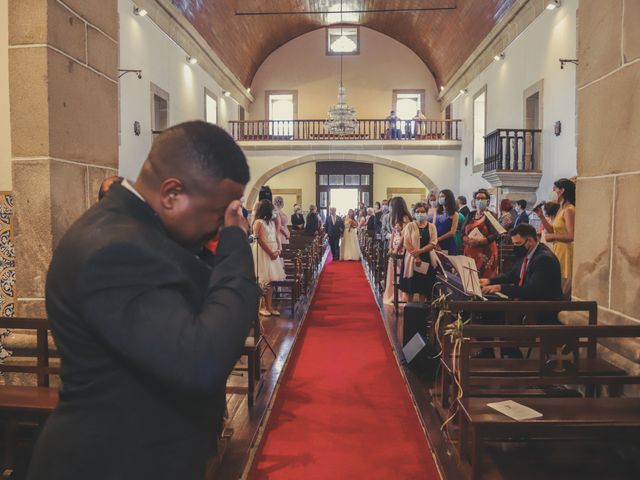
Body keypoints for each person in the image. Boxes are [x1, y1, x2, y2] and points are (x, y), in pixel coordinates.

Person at [28, 121, 261, 480]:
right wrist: (233, 245)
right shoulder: (117, 248)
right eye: (216, 213)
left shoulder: (139, 232)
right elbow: (201, 359)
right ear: (171, 194)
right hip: (113, 462)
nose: (218, 225)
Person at [481, 224, 562, 303]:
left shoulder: (544, 259)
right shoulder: (527, 251)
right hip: (528, 304)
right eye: (514, 243)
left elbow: (532, 290)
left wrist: (500, 288)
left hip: (541, 308)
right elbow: (513, 274)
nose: (515, 247)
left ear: (530, 241)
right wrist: (489, 281)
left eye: (518, 243)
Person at [534, 178, 575, 296]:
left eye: (555, 188)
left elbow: (571, 235)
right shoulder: (561, 209)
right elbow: (553, 230)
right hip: (558, 248)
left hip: (565, 251)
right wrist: (541, 216)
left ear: (562, 191)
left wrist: (552, 237)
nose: (553, 190)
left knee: (563, 285)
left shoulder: (569, 210)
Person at [253, 199, 286, 317]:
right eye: (272, 209)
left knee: (271, 281)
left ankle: (270, 306)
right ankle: (262, 306)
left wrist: (277, 250)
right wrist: (270, 252)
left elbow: (275, 236)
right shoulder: (258, 222)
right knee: (263, 280)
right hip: (263, 252)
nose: (274, 211)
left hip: (272, 251)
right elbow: (258, 239)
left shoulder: (271, 223)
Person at [400, 202, 438, 303]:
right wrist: (417, 257)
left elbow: (433, 243)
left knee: (424, 288)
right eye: (417, 212)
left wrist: (420, 251)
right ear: (414, 213)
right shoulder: (410, 226)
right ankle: (410, 310)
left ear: (426, 212)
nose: (420, 214)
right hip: (412, 258)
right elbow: (406, 243)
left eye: (422, 211)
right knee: (410, 287)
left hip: (427, 258)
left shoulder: (431, 227)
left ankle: (421, 310)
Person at [461, 189, 500, 279]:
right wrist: (466, 239)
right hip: (470, 250)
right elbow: (462, 232)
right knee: (470, 278)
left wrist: (482, 241)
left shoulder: (491, 215)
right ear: (474, 200)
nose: (480, 201)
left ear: (488, 201)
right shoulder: (470, 215)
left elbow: (495, 234)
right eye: (478, 198)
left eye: (482, 198)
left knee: (484, 278)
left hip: (486, 252)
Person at [383, 219, 407, 305]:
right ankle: (392, 293)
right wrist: (390, 249)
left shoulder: (404, 233)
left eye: (399, 225)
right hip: (394, 256)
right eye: (396, 225)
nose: (397, 227)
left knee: (400, 274)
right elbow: (390, 243)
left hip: (401, 256)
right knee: (392, 275)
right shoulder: (394, 232)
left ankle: (402, 295)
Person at [435, 189, 459, 255]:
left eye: (442, 196)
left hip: (448, 242)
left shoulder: (454, 214)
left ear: (448, 198)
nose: (440, 198)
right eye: (439, 197)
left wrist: (438, 239)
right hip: (437, 243)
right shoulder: (438, 212)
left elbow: (452, 232)